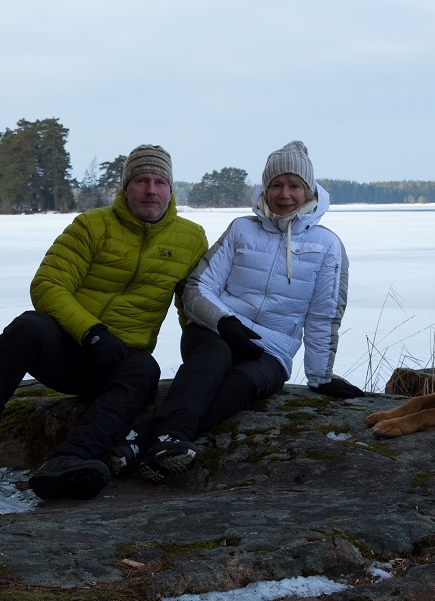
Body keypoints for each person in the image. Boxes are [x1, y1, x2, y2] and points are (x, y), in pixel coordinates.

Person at [0, 144, 208, 501]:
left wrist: (205, 357)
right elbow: (47, 284)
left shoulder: (190, 238)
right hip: (70, 346)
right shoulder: (91, 225)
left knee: (145, 369)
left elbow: (191, 303)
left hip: (119, 362)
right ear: (125, 186)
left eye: (160, 182)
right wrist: (92, 333)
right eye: (141, 180)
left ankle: (68, 462)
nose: (151, 190)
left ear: (170, 189)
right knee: (27, 327)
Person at [109, 140, 363, 482]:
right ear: (265, 188)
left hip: (270, 350)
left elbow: (323, 315)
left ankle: (142, 439)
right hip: (215, 331)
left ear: (309, 191)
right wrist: (224, 322)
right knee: (212, 359)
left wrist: (320, 377)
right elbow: (198, 288)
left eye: (294, 186)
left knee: (243, 383)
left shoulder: (327, 246)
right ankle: (171, 440)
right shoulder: (241, 230)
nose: (284, 195)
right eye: (276, 185)